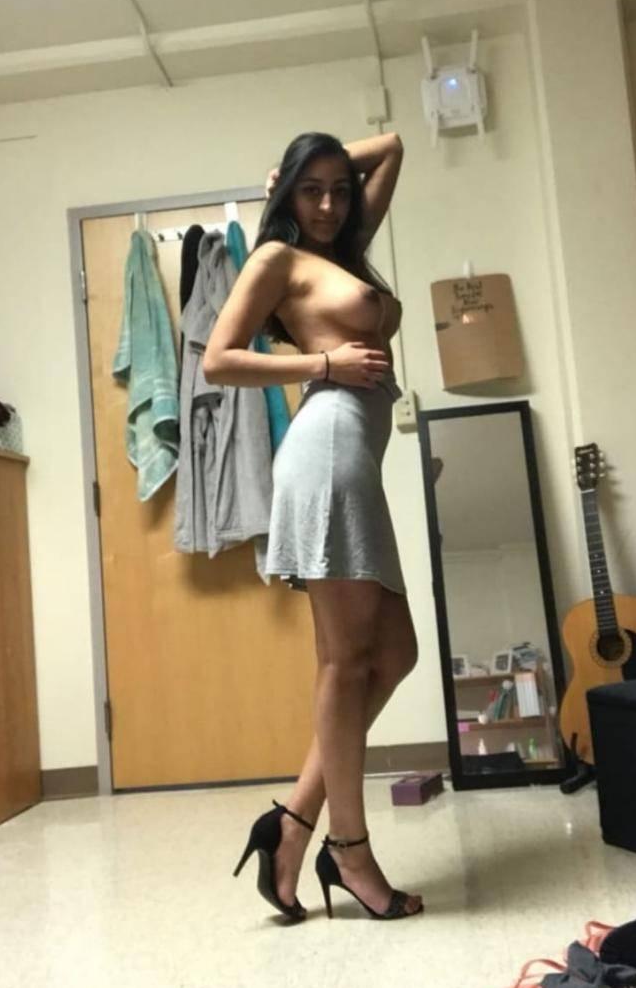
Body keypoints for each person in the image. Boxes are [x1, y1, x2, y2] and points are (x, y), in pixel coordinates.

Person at [203, 131, 423, 922]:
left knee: (393, 653)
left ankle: (293, 823)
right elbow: (218, 359)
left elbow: (391, 147)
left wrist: (309, 168)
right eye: (310, 189)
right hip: (326, 447)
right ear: (287, 195)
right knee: (345, 660)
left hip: (355, 456)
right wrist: (322, 365)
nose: (328, 203)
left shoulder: (348, 249)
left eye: (338, 187)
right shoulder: (277, 260)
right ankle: (350, 850)